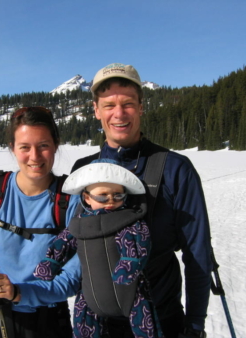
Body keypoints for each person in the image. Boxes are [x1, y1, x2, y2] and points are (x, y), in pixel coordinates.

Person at [71, 63, 213, 338]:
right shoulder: (83, 170)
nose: (119, 113)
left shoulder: (174, 169)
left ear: (141, 106)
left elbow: (198, 256)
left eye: (128, 103)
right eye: (109, 104)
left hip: (160, 322)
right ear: (96, 110)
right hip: (98, 326)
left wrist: (194, 327)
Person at [0, 106, 81, 338]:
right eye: (25, 147)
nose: (34, 156)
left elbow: (71, 279)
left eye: (43, 145)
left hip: (48, 321)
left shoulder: (71, 201)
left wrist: (18, 292)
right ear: (13, 149)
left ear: (55, 145)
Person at [34, 159, 162, 338]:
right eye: (102, 196)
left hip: (131, 294)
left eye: (118, 195)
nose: (110, 201)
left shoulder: (129, 222)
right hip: (90, 293)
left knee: (146, 327)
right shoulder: (79, 224)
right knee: (85, 325)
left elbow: (138, 242)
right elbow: (63, 243)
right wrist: (50, 262)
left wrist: (130, 262)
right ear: (86, 197)